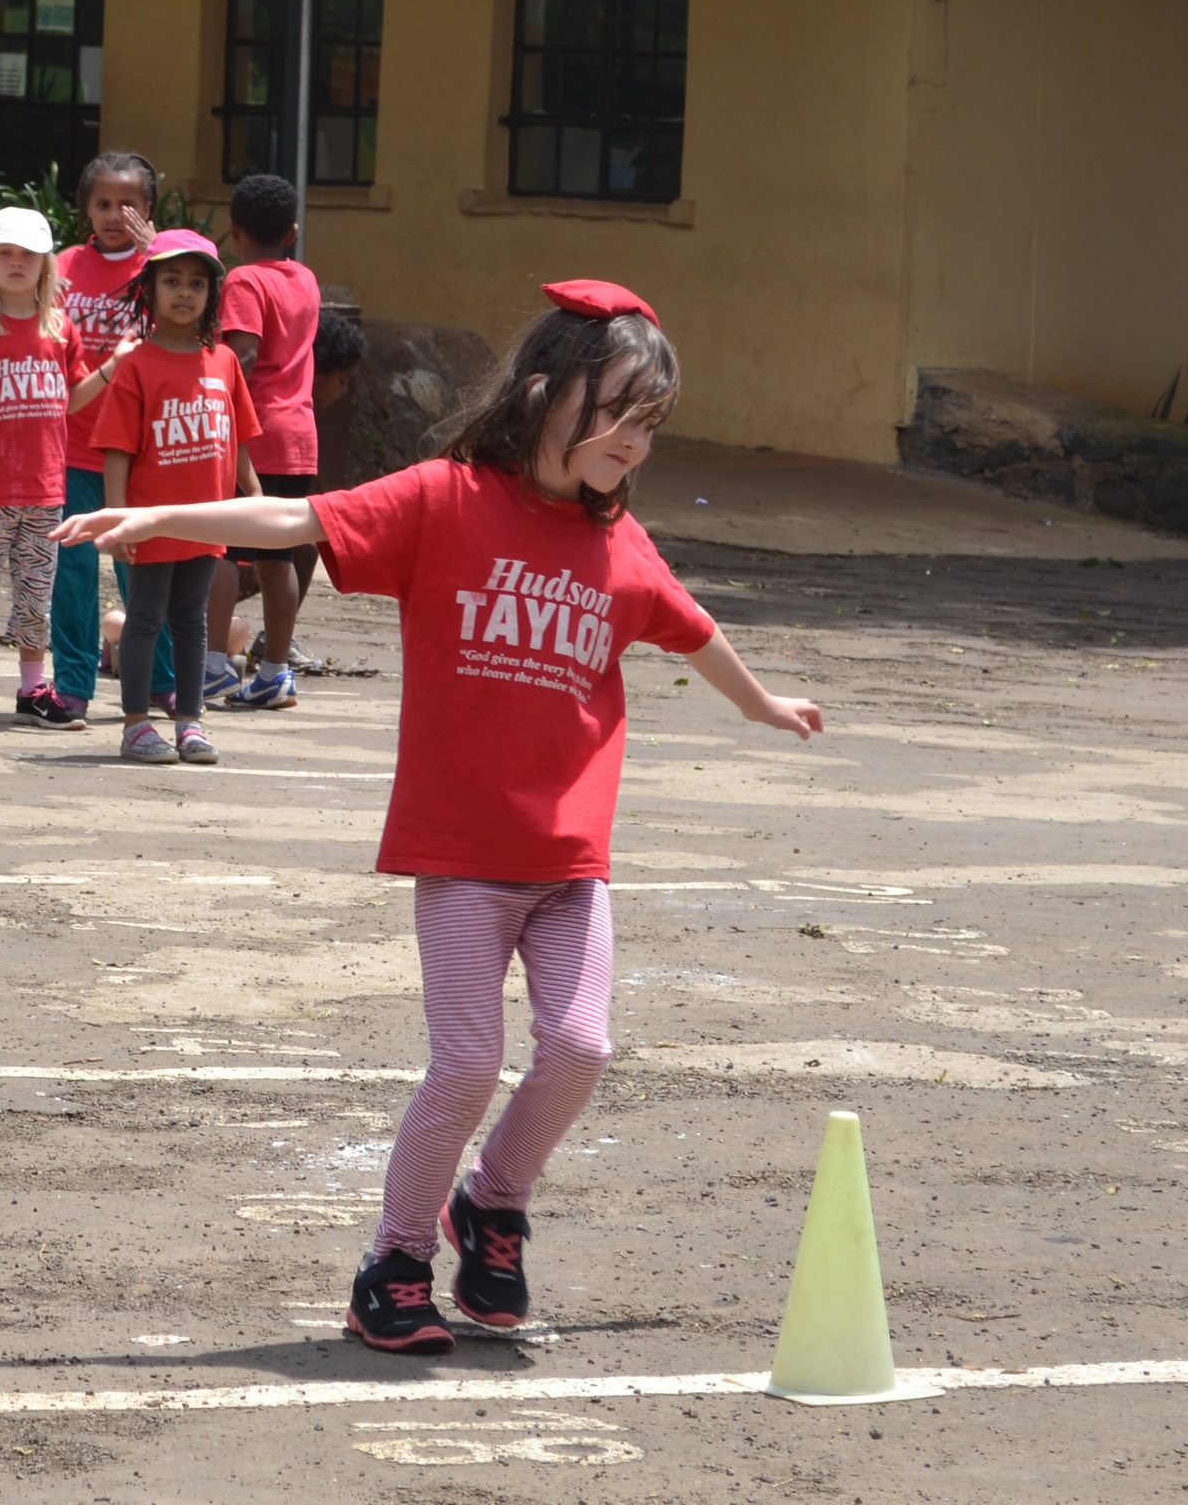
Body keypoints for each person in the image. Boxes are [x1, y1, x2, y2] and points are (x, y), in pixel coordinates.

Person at [55, 280, 823, 1353]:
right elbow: (297, 516)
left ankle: (493, 1204)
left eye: (650, 424)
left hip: (568, 860)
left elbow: (693, 634)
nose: (631, 443)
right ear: (546, 394)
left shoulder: (620, 543)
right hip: (463, 856)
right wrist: (161, 515)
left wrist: (766, 705)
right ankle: (398, 1258)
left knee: (581, 1045)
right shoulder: (446, 499)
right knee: (464, 1065)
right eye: (616, 413)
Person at [85, 229, 260, 766]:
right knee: (144, 619)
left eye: (196, 283)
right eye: (171, 281)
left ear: (211, 295)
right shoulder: (137, 365)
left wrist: (252, 496)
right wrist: (118, 522)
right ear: (149, 289)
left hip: (207, 521)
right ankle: (136, 725)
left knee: (193, 621)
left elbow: (236, 439)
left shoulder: (224, 361)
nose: (184, 292)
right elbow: (116, 449)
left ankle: (189, 723)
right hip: (149, 522)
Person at [0, 206, 111, 731]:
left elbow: (71, 399)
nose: (16, 264)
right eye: (5, 254)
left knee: (37, 594)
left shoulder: (60, 331)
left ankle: (34, 688)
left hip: (45, 488)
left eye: (27, 255)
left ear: (45, 266)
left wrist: (111, 368)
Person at [50, 151, 173, 718]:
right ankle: (72, 686)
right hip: (72, 445)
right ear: (85, 209)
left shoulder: (163, 267)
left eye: (128, 204)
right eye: (102, 203)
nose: (114, 214)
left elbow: (193, 319)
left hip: (140, 451)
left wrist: (156, 252)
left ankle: (161, 681)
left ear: (149, 210)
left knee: (143, 569)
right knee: (71, 574)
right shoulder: (63, 266)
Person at [204, 174, 321, 712]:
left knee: (222, 548)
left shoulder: (245, 281)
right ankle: (275, 671)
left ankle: (209, 666)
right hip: (299, 432)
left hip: (254, 433)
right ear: (292, 231)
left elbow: (243, 355)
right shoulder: (305, 279)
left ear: (233, 231)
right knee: (277, 555)